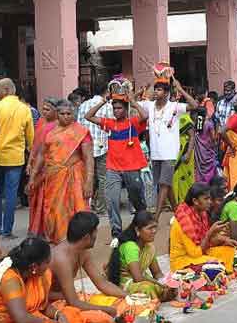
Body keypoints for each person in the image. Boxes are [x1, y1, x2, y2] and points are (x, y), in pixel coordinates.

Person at [84, 81, 148, 237]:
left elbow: (145, 115)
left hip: (132, 168)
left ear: (125, 109)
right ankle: (116, 232)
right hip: (113, 169)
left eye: (119, 108)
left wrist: (132, 101)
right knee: (112, 200)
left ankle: (142, 223)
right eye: (114, 108)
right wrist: (104, 101)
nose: (116, 110)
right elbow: (88, 116)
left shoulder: (133, 123)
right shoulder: (109, 123)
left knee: (137, 198)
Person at [26, 99, 92, 244]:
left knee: (77, 210)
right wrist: (33, 177)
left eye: (69, 113)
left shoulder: (81, 132)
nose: (65, 116)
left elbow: (88, 158)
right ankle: (59, 240)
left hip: (74, 176)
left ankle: (77, 241)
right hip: (53, 179)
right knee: (54, 211)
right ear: (57, 114)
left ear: (73, 115)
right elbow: (41, 156)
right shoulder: (50, 133)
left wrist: (89, 182)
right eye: (62, 113)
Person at [49, 212, 127, 323]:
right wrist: (106, 310)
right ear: (86, 237)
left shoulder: (83, 251)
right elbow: (73, 302)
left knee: (120, 302)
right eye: (95, 231)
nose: (97, 235)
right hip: (53, 304)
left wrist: (128, 296)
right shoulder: (62, 259)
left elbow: (102, 284)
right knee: (102, 318)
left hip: (71, 298)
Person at [139, 75, 198, 222]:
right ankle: (179, 212)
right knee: (166, 184)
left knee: (164, 184)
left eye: (159, 90)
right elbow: (132, 103)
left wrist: (180, 89)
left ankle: (156, 217)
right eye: (156, 89)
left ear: (166, 93)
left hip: (170, 153)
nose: (156, 92)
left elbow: (194, 105)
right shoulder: (150, 105)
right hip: (156, 153)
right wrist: (141, 90)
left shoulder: (174, 107)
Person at [0, 78, 34, 237]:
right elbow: (31, 138)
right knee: (10, 195)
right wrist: (31, 158)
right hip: (15, 157)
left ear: (6, 90)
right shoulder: (24, 109)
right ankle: (7, 229)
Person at [170, 183, 237, 272]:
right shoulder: (184, 221)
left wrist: (224, 240)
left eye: (209, 198)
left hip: (199, 254)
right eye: (206, 199)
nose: (210, 202)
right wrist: (210, 233)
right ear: (195, 201)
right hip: (183, 261)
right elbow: (195, 253)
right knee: (215, 264)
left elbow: (206, 241)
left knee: (229, 251)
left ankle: (227, 272)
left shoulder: (202, 214)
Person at [107, 211, 174, 300]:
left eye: (155, 227)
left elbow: (157, 273)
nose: (154, 231)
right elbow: (138, 278)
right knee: (147, 288)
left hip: (141, 280)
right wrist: (159, 284)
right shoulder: (131, 247)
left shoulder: (149, 247)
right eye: (150, 228)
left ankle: (161, 295)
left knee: (172, 287)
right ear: (137, 230)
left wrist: (165, 282)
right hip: (125, 283)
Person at [77, 85, 113, 216]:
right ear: (106, 92)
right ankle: (100, 207)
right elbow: (111, 125)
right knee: (103, 178)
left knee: (88, 177)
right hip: (102, 146)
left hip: (86, 147)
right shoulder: (107, 106)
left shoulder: (83, 105)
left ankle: (87, 205)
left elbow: (78, 127)